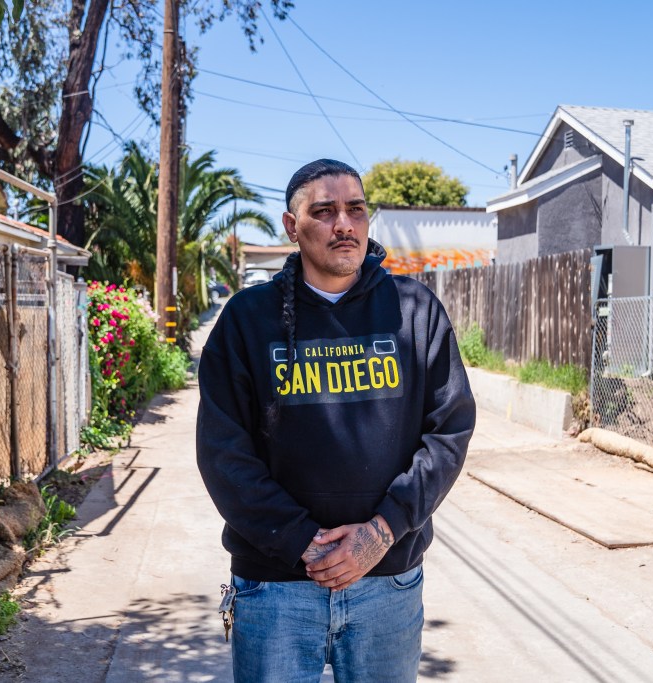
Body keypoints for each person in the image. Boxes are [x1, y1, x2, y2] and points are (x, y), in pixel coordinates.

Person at [196, 158, 476, 682]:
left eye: (355, 209)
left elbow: (449, 432)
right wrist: (302, 539)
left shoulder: (415, 311)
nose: (343, 224)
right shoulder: (246, 320)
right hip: (274, 588)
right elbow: (222, 452)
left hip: (386, 584)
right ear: (291, 225)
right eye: (324, 211)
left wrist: (384, 529)